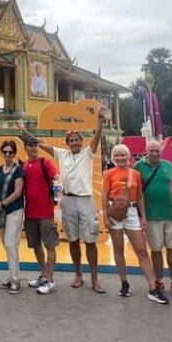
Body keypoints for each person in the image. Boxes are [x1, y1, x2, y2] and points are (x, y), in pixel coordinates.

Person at [17, 111, 106, 293]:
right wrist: (24, 131)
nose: (74, 143)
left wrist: (100, 120)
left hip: (86, 200)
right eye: (71, 140)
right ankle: (78, 275)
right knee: (73, 240)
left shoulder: (88, 153)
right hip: (68, 200)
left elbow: (96, 137)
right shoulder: (61, 154)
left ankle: (95, 279)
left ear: (81, 142)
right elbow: (39, 144)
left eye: (77, 140)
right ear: (67, 143)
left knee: (90, 240)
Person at [102, 144, 168, 304]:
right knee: (118, 249)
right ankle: (124, 282)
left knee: (142, 251)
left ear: (129, 156)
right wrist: (105, 215)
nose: (120, 158)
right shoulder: (109, 174)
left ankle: (153, 287)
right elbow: (104, 195)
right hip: (115, 211)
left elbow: (139, 197)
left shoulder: (135, 174)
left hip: (131, 212)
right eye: (116, 155)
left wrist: (143, 217)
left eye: (123, 155)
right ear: (113, 158)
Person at [135, 140, 172, 297]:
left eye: (157, 150)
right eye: (152, 151)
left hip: (170, 214)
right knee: (155, 250)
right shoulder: (138, 167)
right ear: (146, 151)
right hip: (151, 215)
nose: (155, 153)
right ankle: (158, 279)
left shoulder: (168, 166)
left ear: (161, 151)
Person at [16, 130, 61, 294]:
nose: (34, 148)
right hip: (30, 213)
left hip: (46, 213)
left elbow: (56, 176)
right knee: (36, 246)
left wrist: (57, 181)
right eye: (31, 145)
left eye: (36, 145)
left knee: (50, 245)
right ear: (26, 148)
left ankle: (50, 280)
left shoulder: (45, 162)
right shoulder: (24, 166)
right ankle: (44, 274)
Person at [0, 140, 25, 294]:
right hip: (2, 211)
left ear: (14, 153)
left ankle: (15, 279)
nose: (7, 155)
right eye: (5, 152)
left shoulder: (18, 170)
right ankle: (12, 276)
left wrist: (2, 203)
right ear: (1, 153)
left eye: (10, 152)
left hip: (14, 210)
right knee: (7, 244)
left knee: (11, 244)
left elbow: (18, 192)